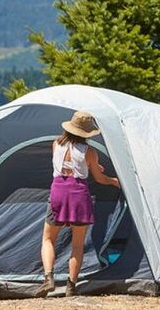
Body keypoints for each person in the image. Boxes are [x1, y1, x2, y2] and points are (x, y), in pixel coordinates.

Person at [35, 111, 120, 298]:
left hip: (58, 191)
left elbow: (65, 164)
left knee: (48, 239)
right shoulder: (90, 152)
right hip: (78, 194)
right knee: (78, 245)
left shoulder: (56, 144)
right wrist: (113, 180)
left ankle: (49, 277)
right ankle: (71, 285)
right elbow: (99, 179)